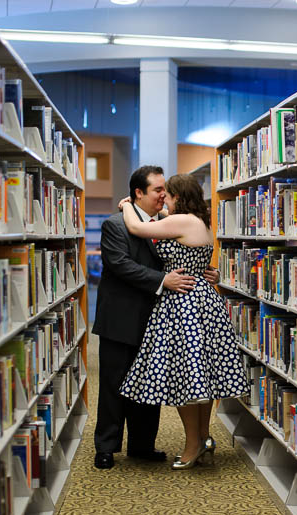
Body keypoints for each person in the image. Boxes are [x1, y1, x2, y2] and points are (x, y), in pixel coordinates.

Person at [91, 165, 219, 470]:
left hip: (157, 317)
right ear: (139, 193)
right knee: (113, 385)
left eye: (166, 190)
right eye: (157, 190)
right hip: (120, 318)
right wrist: (164, 281)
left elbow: (181, 255)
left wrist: (200, 272)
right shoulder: (115, 225)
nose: (163, 195)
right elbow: (121, 264)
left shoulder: (167, 222)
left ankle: (142, 445)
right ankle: (106, 448)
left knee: (149, 384)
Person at [118, 173, 248, 470]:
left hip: (183, 304)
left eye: (169, 195)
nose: (164, 199)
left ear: (179, 197)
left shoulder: (183, 221)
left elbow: (138, 226)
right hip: (201, 300)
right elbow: (167, 226)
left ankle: (192, 445)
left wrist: (127, 204)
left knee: (185, 379)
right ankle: (202, 437)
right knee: (199, 378)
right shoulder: (197, 221)